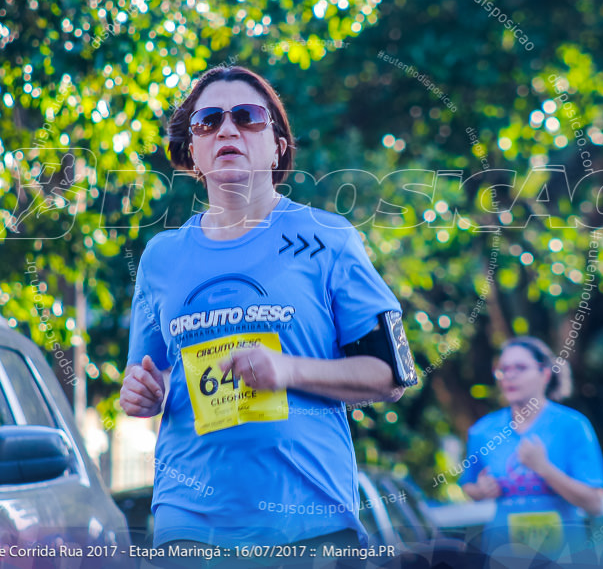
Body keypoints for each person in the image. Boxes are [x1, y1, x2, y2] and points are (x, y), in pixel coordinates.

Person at [119, 65, 417, 555]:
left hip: (310, 525)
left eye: (248, 117)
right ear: (192, 149)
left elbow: (390, 376)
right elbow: (149, 376)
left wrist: (287, 369)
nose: (227, 130)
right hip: (188, 525)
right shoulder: (160, 258)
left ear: (278, 144)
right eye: (208, 121)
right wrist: (141, 393)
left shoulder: (329, 238)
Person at [458, 336, 603, 558]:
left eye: (520, 368)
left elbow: (595, 504)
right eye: (503, 369)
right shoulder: (483, 430)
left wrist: (544, 469)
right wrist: (482, 491)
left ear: (545, 374)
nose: (510, 376)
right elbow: (468, 486)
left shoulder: (572, 426)